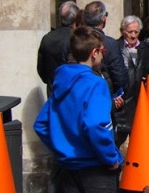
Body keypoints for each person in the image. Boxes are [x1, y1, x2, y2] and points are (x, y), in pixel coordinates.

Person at [34, 26, 122, 193]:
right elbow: (95, 125)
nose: (103, 55)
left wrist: (62, 146)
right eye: (102, 51)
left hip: (67, 167)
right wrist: (110, 158)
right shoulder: (96, 83)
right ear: (94, 52)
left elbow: (41, 124)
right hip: (96, 167)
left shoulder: (61, 81)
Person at [80, 1, 128, 109]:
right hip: (103, 98)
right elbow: (120, 77)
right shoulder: (110, 44)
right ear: (104, 19)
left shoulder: (76, 40)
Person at [115, 15, 149, 146]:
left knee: (139, 140)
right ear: (122, 31)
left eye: (136, 32)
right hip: (123, 100)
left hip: (140, 98)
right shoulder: (116, 47)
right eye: (129, 32)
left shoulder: (146, 49)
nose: (133, 35)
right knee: (118, 137)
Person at [37, 0, 81, 96]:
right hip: (71, 93)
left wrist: (50, 81)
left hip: (53, 91)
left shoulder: (47, 38)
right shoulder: (76, 39)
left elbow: (41, 68)